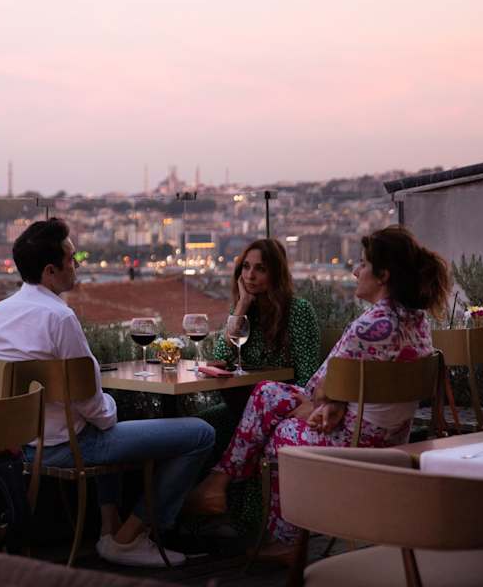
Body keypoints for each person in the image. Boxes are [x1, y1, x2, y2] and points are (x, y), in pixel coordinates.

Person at [187, 226, 449, 558]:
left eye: (362, 264)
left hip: (356, 441)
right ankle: (222, 485)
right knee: (267, 393)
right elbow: (337, 385)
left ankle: (278, 535)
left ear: (383, 276)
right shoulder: (418, 321)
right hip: (390, 435)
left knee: (280, 433)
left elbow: (318, 386)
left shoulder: (368, 326)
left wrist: (323, 402)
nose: (355, 272)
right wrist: (328, 401)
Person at [0, 218, 215, 568]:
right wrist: (108, 409)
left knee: (106, 421)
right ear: (50, 271)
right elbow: (92, 403)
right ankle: (130, 537)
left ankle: (109, 528)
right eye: (71, 258)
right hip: (64, 448)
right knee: (200, 434)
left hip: (17, 447)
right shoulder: (60, 318)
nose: (77, 264)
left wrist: (104, 412)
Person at [198, 238, 322, 532]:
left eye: (260, 269)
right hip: (243, 405)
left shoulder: (298, 311)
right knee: (202, 426)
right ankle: (204, 518)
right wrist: (241, 306)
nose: (250, 276)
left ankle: (248, 519)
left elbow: (308, 377)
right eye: (246, 267)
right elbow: (221, 355)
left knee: (225, 427)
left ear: (275, 273)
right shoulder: (245, 310)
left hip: (283, 409)